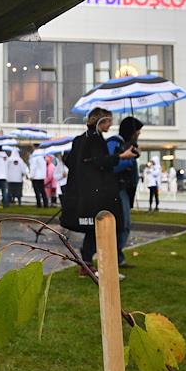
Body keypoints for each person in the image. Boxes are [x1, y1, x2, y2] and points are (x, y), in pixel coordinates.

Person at [62, 107, 137, 271]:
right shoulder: (95, 139)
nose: (111, 124)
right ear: (101, 121)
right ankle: (92, 262)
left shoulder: (81, 139)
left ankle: (87, 264)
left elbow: (73, 161)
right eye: (108, 121)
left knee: (94, 228)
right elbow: (99, 162)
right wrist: (121, 156)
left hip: (85, 191)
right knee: (100, 226)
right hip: (97, 192)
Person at [108, 117, 143, 265]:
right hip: (117, 189)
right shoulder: (114, 143)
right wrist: (129, 159)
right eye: (137, 131)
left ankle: (117, 256)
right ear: (131, 131)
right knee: (123, 225)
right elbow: (111, 166)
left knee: (124, 224)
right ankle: (115, 257)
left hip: (125, 189)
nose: (139, 134)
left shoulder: (127, 144)